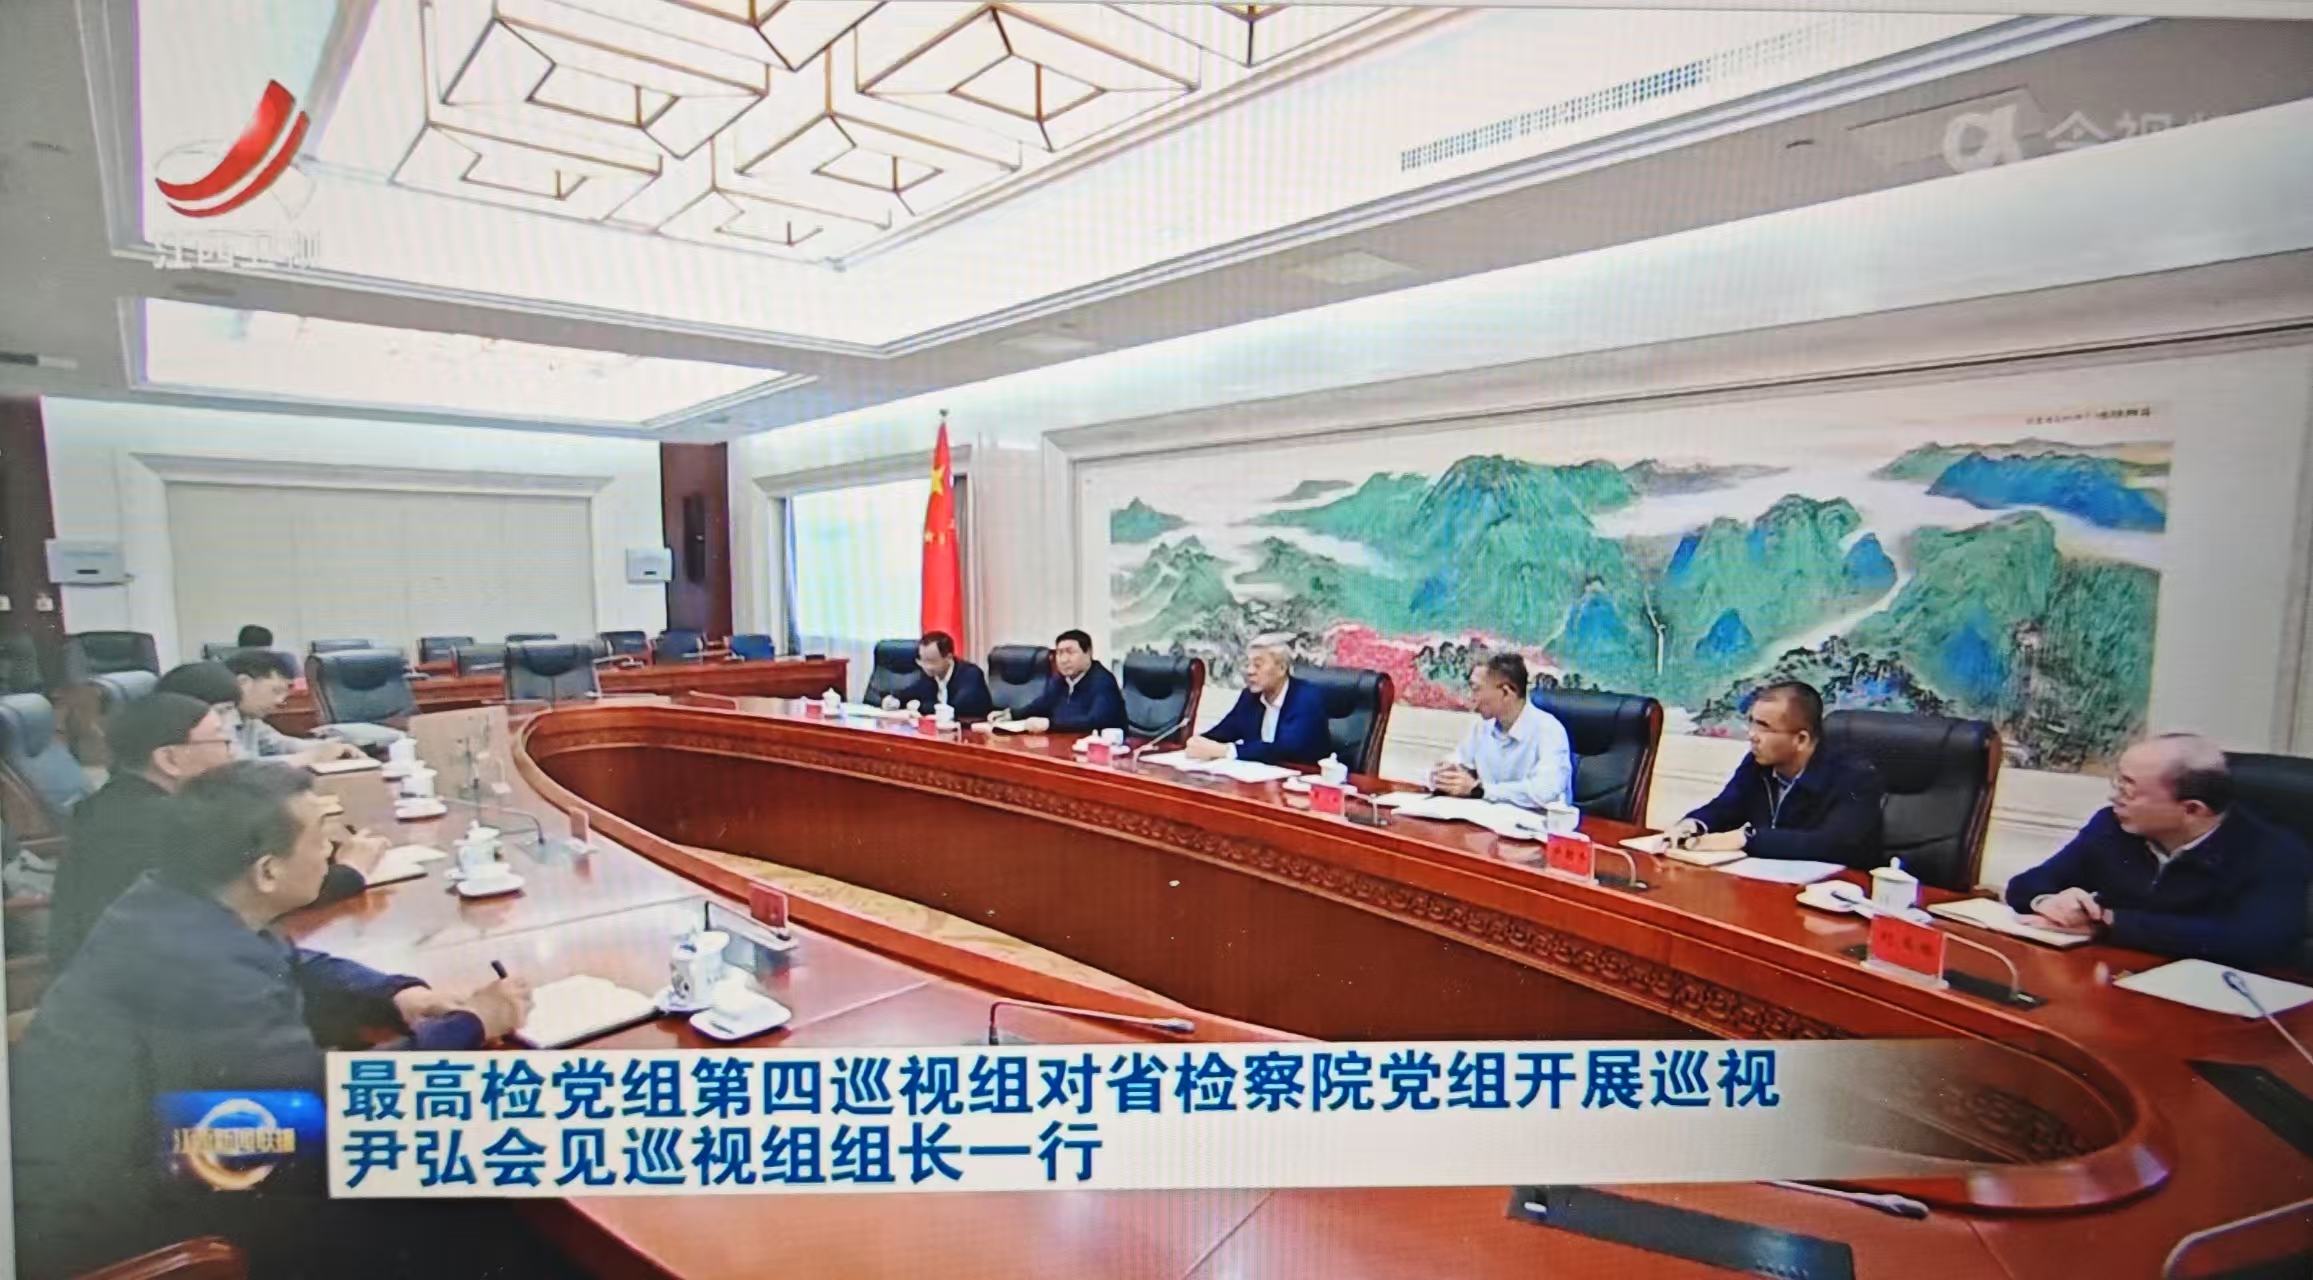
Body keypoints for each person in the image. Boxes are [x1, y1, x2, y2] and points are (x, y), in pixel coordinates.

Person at [12, 761, 537, 1280]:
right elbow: (323, 1101)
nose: (332, 851)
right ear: (267, 871)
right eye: (320, 838)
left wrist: (396, 995)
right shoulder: (198, 967)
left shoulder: (176, 901)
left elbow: (292, 962)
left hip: (176, 1149)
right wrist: (471, 1023)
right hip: (147, 1216)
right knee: (494, 1176)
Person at [49, 693, 380, 969]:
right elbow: (261, 889)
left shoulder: (116, 802)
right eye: (222, 741)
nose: (232, 753)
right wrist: (350, 872)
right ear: (169, 759)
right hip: (149, 989)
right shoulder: (167, 822)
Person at [2006, 734, 2312, 968]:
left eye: (2129, 790)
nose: (2115, 798)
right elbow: (2024, 885)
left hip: (2215, 999)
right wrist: (2048, 902)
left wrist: (2110, 923)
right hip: (2118, 977)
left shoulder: (2274, 853)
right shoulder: (2112, 827)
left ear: (2192, 809)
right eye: (2118, 783)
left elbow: (2252, 941)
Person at [1669, 681, 1885, 867]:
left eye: (1764, 727)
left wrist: (1748, 838)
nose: (1752, 735)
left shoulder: (1855, 776)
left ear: (1801, 739)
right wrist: (1694, 824)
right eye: (1751, 722)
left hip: (1834, 889)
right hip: (1767, 880)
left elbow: (1834, 844)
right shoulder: (1757, 764)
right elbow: (1727, 806)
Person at [1430, 653, 1573, 811]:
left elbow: (1544, 792)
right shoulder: (1482, 727)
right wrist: (1445, 774)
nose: (1471, 698)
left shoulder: (1549, 730)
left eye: (1476, 689)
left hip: (1535, 822)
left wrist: (1480, 790)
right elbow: (1459, 760)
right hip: (1488, 819)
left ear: (1506, 693)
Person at [1186, 635, 1332, 766]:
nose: (1249, 671)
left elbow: (1285, 748)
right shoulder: (1250, 697)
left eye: (1257, 665)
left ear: (1281, 668)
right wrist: (1200, 741)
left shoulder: (1307, 697)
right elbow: (1224, 731)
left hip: (1302, 780)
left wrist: (1226, 750)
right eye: (1247, 664)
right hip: (1258, 780)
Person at [224, 649, 364, 762]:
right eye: (275, 691)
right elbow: (238, 768)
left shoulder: (250, 719)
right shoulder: (220, 717)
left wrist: (334, 747)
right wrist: (310, 757)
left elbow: (282, 744)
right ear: (243, 683)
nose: (280, 701)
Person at [998, 629, 1126, 735]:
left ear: (1088, 653)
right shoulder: (1060, 680)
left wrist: (1050, 724)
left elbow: (1094, 721)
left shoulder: (1103, 681)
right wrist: (1011, 714)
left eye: (1070, 652)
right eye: (1059, 653)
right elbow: (1041, 705)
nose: (1064, 660)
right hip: (1064, 742)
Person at [883, 630, 993, 720]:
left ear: (949, 658)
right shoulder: (929, 675)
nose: (926, 666)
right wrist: (896, 700)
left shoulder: (971, 674)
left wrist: (920, 707)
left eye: (931, 661)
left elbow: (954, 707)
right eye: (922, 660)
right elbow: (912, 691)